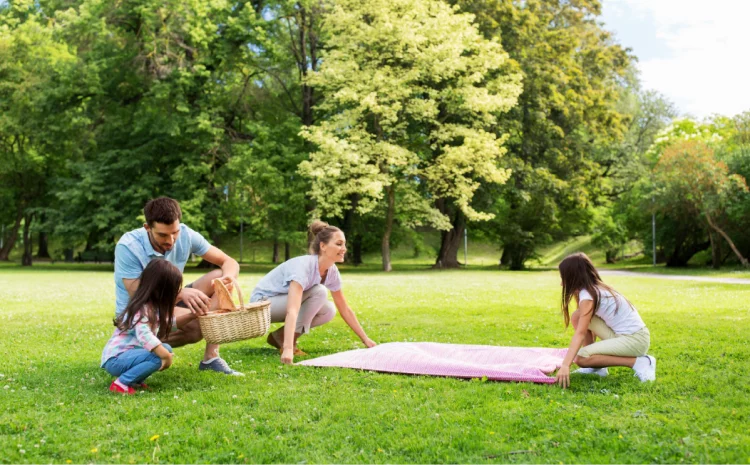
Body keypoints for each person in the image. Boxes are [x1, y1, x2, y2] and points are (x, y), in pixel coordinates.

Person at [114, 197, 242, 375]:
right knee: (198, 327)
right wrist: (180, 293)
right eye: (163, 235)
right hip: (141, 313)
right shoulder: (128, 246)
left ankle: (211, 359)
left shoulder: (186, 234)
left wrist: (227, 278)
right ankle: (136, 345)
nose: (171, 240)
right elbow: (138, 293)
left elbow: (229, 261)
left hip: (169, 302)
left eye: (174, 232)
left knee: (220, 277)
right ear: (147, 228)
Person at [250, 221, 377, 365]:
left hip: (278, 304)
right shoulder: (303, 267)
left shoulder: (332, 271)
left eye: (344, 244)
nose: (344, 249)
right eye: (339, 244)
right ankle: (288, 342)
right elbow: (292, 310)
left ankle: (280, 336)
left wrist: (365, 339)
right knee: (319, 292)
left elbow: (345, 309)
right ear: (323, 246)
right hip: (262, 305)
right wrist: (288, 349)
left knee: (329, 310)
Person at [555, 252, 656, 388]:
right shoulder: (595, 289)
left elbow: (580, 333)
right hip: (624, 336)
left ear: (573, 277)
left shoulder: (589, 295)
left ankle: (639, 362)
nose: (562, 283)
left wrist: (565, 365)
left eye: (564, 278)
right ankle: (597, 368)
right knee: (577, 316)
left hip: (635, 340)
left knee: (581, 358)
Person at [102, 260, 181, 394]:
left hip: (126, 357)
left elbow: (168, 325)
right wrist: (166, 357)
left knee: (166, 348)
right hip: (116, 359)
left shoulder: (153, 308)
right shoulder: (142, 309)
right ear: (161, 289)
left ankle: (135, 380)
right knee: (158, 356)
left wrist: (194, 316)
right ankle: (121, 383)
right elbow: (144, 336)